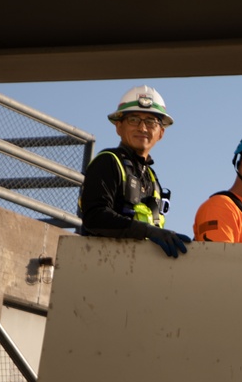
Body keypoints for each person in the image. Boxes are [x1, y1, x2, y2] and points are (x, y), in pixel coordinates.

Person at [77, 85, 191, 258]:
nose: (142, 128)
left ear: (161, 133)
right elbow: (95, 217)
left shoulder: (151, 178)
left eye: (150, 121)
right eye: (134, 120)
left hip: (139, 268)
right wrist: (147, 231)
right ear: (118, 126)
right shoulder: (107, 162)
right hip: (101, 265)